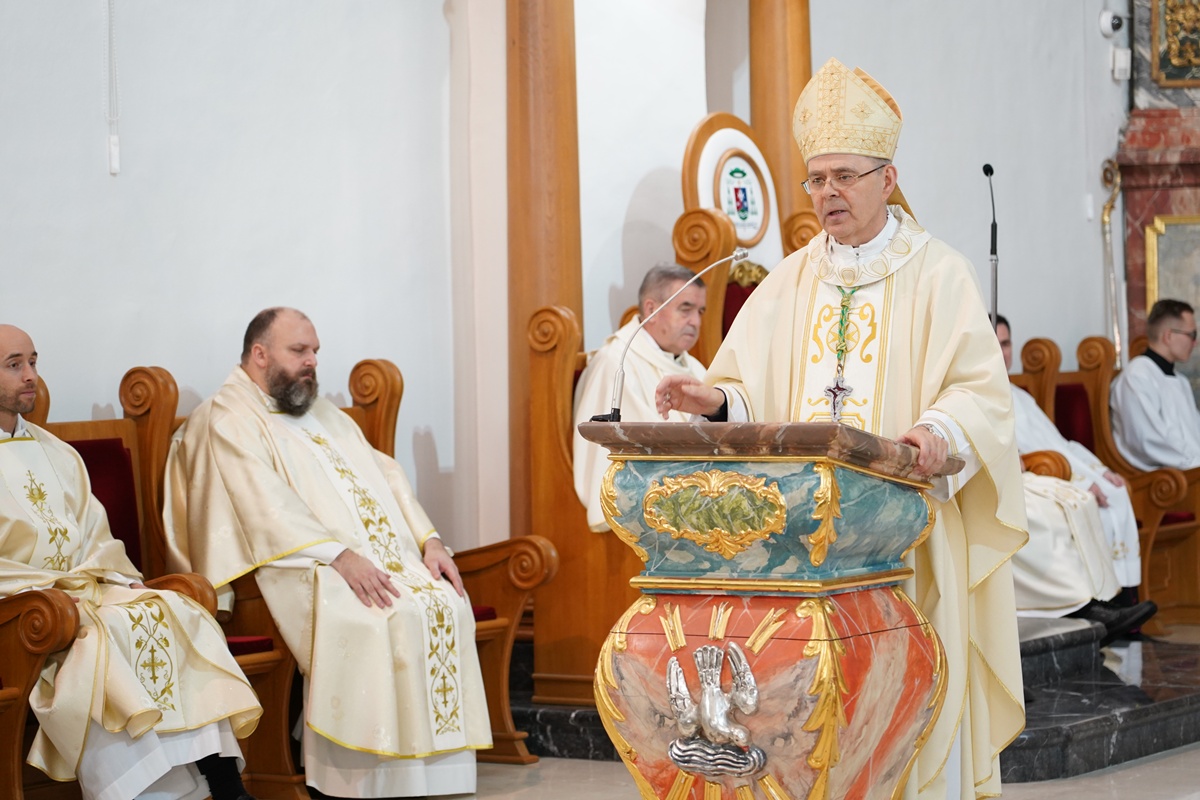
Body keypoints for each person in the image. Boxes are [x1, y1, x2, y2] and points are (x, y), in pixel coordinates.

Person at [654, 58, 1026, 799]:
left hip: (907, 531)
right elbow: (745, 389)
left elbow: (981, 391)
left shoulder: (940, 273)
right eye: (816, 179)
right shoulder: (788, 279)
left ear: (887, 179)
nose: (828, 193)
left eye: (845, 177)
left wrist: (935, 432)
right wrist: (712, 404)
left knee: (910, 703)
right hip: (807, 549)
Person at [162, 308, 490, 799]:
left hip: (361, 557)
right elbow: (262, 505)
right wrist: (339, 555)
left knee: (443, 601)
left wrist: (430, 540)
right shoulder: (227, 416)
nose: (312, 361)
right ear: (259, 354)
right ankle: (350, 779)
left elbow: (387, 474)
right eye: (300, 351)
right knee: (376, 613)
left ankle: (422, 776)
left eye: (315, 351)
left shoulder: (317, 410)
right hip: (290, 562)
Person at [0, 324, 261, 800]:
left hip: (81, 590)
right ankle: (142, 792)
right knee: (101, 636)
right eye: (14, 365)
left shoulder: (56, 452)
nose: (30, 376)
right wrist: (57, 591)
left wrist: (121, 579)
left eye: (33, 362)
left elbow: (94, 533)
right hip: (22, 608)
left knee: (175, 610)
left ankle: (223, 783)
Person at [997, 316, 1154, 640]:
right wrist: (1081, 480)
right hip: (1019, 475)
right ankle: (1086, 608)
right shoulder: (986, 395)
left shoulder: (1019, 394)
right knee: (1059, 511)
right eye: (995, 343)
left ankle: (1116, 604)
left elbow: (1058, 443)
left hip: (1042, 469)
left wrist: (1096, 470)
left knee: (1105, 495)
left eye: (1006, 343)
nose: (1002, 352)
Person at [573, 264, 707, 530]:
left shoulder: (693, 367)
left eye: (700, 311)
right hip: (642, 523)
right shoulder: (618, 362)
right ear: (651, 310)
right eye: (686, 309)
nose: (696, 321)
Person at [1110, 298, 1200, 470]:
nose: (1195, 343)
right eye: (1192, 335)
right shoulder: (1137, 377)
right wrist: (1194, 465)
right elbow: (1147, 441)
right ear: (1168, 336)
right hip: (1165, 480)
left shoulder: (1180, 381)